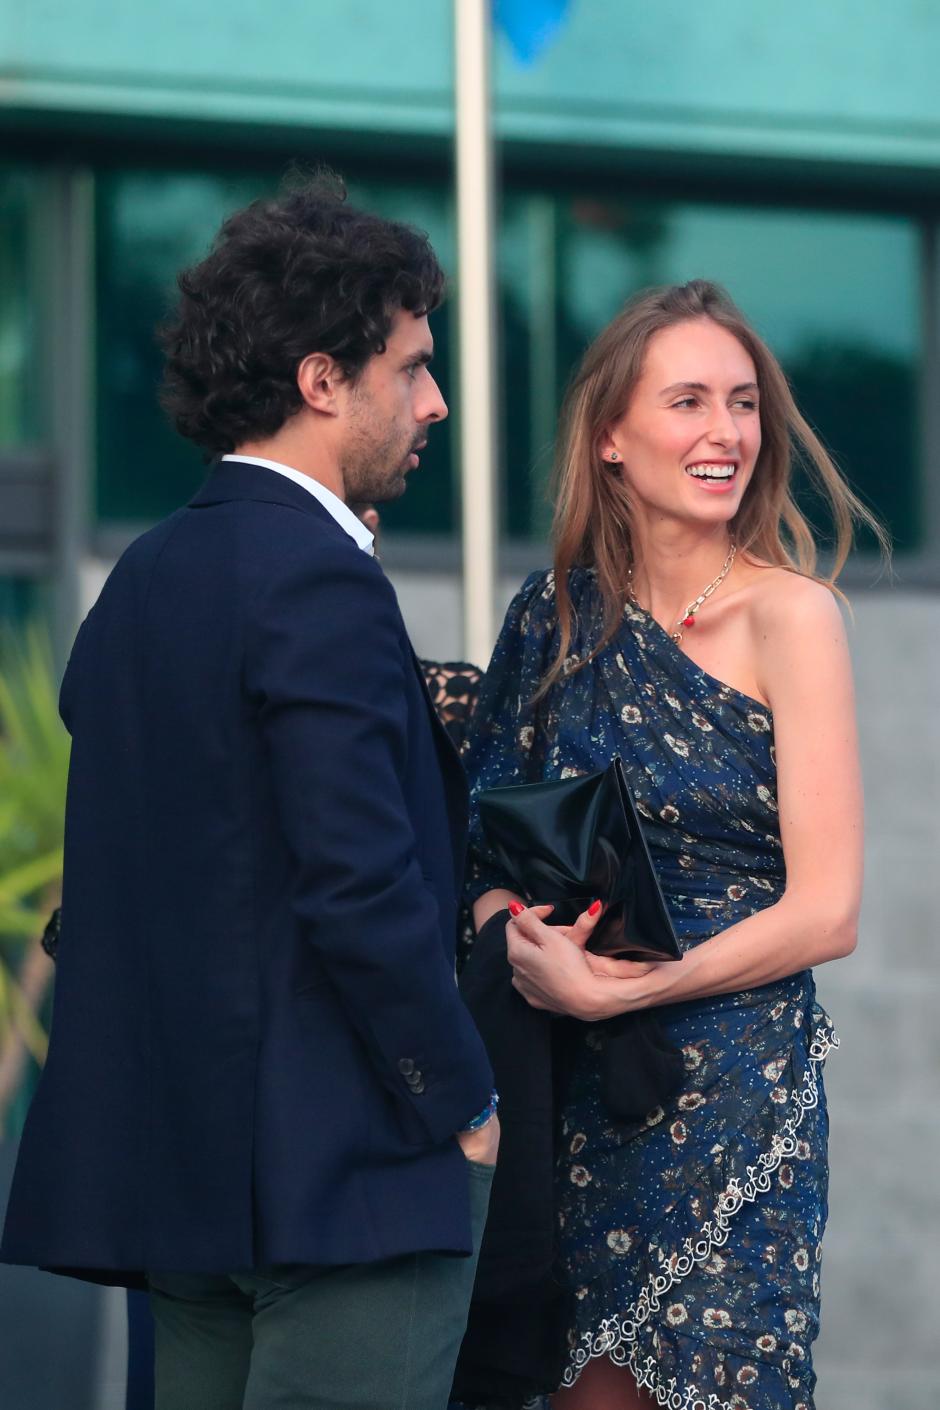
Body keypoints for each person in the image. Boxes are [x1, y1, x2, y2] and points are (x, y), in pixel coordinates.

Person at [2, 174, 499, 1410]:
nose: (435, 401)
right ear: (323, 380)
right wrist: (463, 1098)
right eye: (412, 366)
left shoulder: (144, 580)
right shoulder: (316, 579)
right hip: (347, 1185)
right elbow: (356, 878)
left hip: (187, 1193)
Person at [463, 279, 881, 1410]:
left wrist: (628, 994)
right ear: (610, 436)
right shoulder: (551, 617)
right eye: (688, 401)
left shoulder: (792, 616)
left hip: (737, 1088)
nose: (725, 433)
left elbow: (827, 910)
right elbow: (483, 848)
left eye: (743, 404)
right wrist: (518, 940)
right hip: (570, 1098)